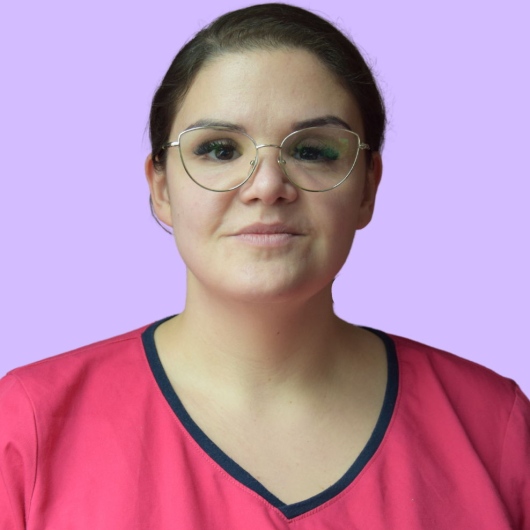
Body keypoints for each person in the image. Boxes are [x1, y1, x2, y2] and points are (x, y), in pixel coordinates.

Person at [1, 3, 529, 528]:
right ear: (160, 187)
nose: (268, 185)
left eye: (314, 151)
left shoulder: (494, 428)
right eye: (219, 149)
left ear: (368, 187)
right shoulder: (27, 427)